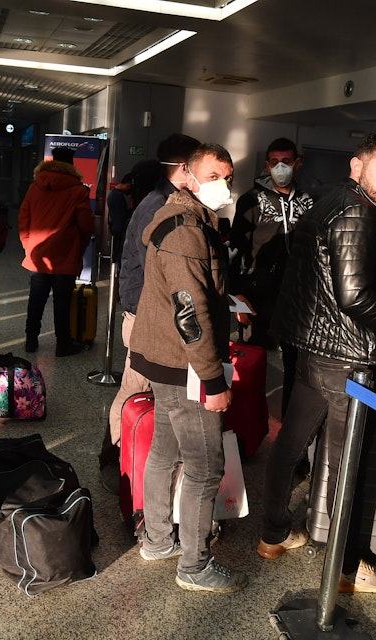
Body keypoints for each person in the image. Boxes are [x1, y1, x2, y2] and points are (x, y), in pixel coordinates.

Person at [260, 132, 376, 594]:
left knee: (291, 443)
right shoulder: (359, 212)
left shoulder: (329, 199)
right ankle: (347, 569)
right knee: (343, 462)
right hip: (345, 355)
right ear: (358, 166)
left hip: (313, 346)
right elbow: (355, 296)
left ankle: (273, 535)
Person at [129, 143, 248, 594]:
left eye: (228, 176)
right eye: (214, 175)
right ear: (187, 175)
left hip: (164, 357)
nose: (224, 185)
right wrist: (214, 380)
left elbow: (194, 294)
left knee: (165, 450)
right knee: (204, 466)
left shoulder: (190, 222)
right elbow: (190, 312)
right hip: (185, 365)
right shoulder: (185, 231)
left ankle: (159, 540)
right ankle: (195, 566)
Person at [99, 133, 200, 492]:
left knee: (136, 389)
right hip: (147, 318)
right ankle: (117, 458)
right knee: (134, 390)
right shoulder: (159, 205)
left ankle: (121, 454)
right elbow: (158, 271)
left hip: (150, 314)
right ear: (187, 167)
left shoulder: (167, 200)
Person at [227, 137, 313, 414]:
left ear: (296, 163)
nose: (280, 167)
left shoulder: (308, 201)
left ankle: (289, 419)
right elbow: (236, 249)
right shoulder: (251, 200)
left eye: (286, 162)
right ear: (267, 165)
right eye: (274, 162)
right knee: (253, 358)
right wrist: (236, 297)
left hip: (296, 295)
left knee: (295, 362)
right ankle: (246, 417)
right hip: (257, 291)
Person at [18, 146, 94, 357]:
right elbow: (86, 225)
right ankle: (63, 344)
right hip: (66, 255)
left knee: (36, 300)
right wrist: (79, 246)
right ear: (71, 165)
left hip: (38, 255)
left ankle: (30, 341)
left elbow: (23, 219)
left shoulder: (35, 187)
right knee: (62, 302)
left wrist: (28, 244)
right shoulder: (78, 191)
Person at [106, 173, 133, 266]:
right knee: (119, 252)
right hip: (119, 228)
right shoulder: (118, 196)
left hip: (115, 226)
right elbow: (121, 214)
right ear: (127, 184)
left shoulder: (113, 194)